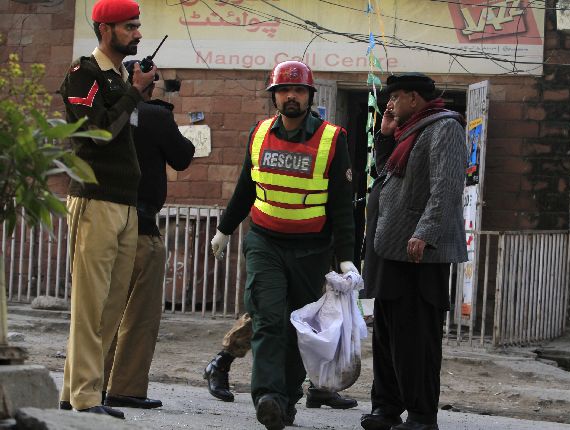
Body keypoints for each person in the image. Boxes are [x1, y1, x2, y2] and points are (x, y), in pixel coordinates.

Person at [209, 60, 356, 430]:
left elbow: (342, 204)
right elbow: (246, 186)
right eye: (284, 90)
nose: (292, 96)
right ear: (274, 96)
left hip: (311, 248)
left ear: (309, 96)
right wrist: (225, 229)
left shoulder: (331, 139)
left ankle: (286, 401)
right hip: (265, 242)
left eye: (299, 90)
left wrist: (346, 259)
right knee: (269, 318)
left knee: (298, 327)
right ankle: (268, 397)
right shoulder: (259, 133)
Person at [57, 0, 157, 419]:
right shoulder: (85, 74)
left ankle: (74, 391)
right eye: (129, 27)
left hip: (125, 205)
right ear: (105, 29)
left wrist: (135, 92)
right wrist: (134, 93)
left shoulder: (118, 78)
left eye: (137, 26)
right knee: (90, 304)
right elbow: (96, 134)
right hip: (95, 201)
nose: (137, 34)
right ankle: (85, 396)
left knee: (111, 305)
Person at [361, 74, 468, 430]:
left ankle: (422, 415)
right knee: (387, 333)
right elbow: (383, 174)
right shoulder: (407, 131)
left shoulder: (444, 128)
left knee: (417, 338)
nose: (388, 104)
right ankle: (386, 408)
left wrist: (425, 231)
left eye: (395, 98)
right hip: (389, 248)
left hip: (420, 253)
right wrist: (385, 133)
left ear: (414, 98)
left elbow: (447, 186)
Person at [101, 60, 195, 410]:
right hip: (141, 228)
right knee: (139, 315)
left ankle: (87, 385)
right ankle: (124, 387)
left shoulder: (103, 112)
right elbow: (183, 156)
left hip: (102, 223)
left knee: (99, 311)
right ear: (146, 82)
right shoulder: (156, 116)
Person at [203, 313, 358, 408]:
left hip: (324, 261)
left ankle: (320, 387)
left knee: (323, 316)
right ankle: (221, 363)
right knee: (268, 315)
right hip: (282, 261)